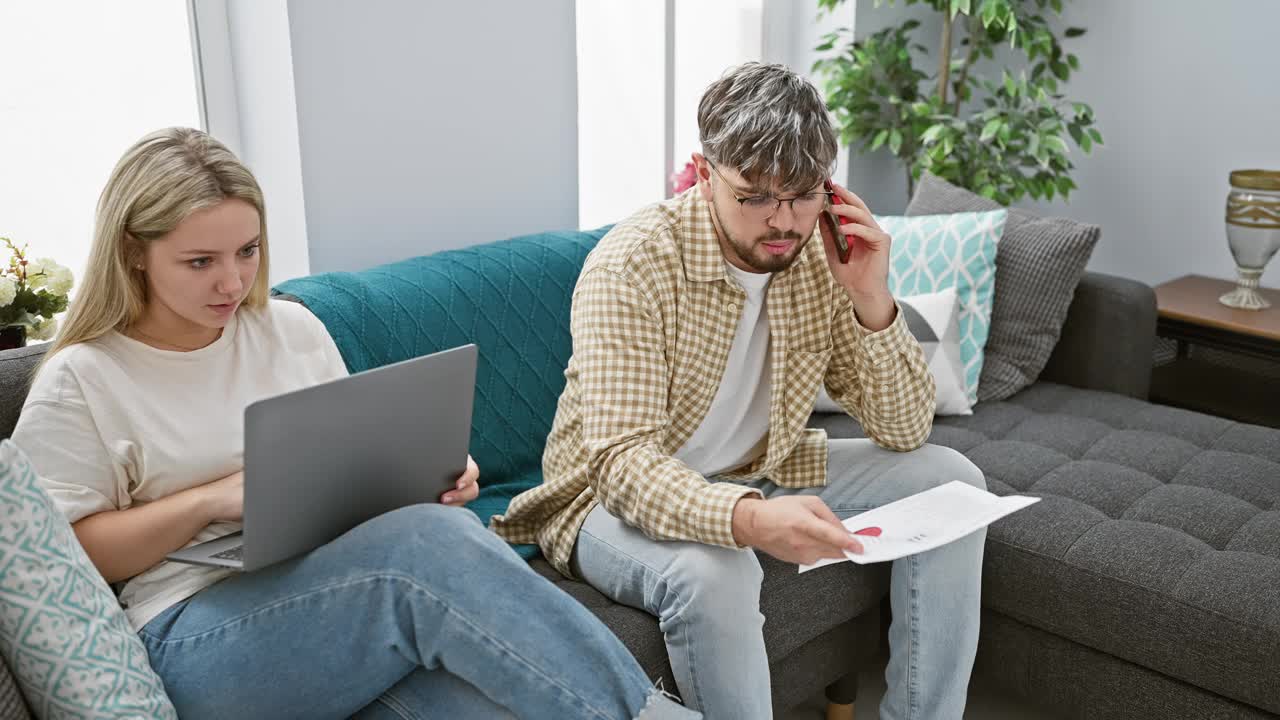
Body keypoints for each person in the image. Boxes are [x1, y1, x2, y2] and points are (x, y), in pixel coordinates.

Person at [12, 127, 698, 720]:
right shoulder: (85, 379)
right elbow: (69, 556)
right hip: (192, 638)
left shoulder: (289, 330)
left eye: (247, 251)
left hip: (328, 603)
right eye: (200, 261)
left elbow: (348, 482)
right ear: (134, 250)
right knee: (427, 546)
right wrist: (209, 502)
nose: (231, 282)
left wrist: (423, 480)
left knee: (483, 659)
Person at [492, 63, 987, 720]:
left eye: (803, 194)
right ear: (704, 174)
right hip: (600, 499)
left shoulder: (818, 256)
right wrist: (748, 519)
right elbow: (620, 465)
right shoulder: (633, 264)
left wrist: (872, 297)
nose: (782, 221)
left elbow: (903, 430)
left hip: (760, 464)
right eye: (754, 196)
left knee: (953, 481)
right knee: (717, 572)